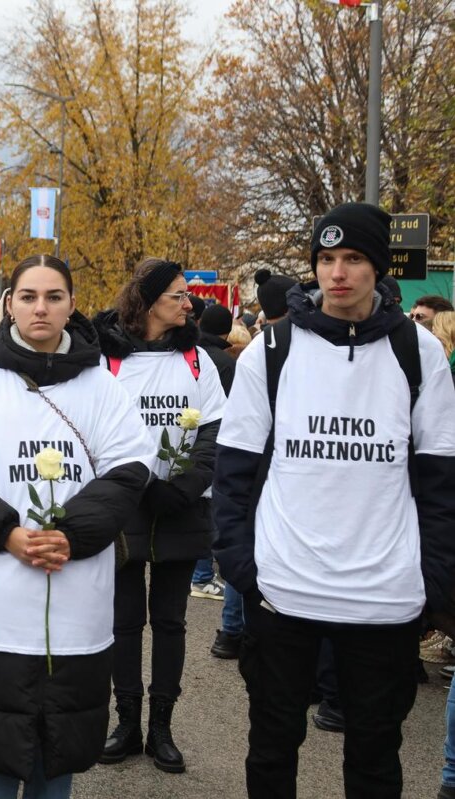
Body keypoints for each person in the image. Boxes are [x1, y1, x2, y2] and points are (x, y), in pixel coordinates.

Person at [214, 202, 455, 799]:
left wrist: (434, 582)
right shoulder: (271, 350)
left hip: (384, 597)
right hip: (284, 591)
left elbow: (440, 483)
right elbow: (235, 473)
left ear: (378, 268)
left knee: (375, 758)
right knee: (271, 751)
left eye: (353, 259)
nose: (337, 273)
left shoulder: (417, 352)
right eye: (325, 259)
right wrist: (244, 572)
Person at [0, 254, 153, 799]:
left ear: (73, 304)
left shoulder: (102, 387)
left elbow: (128, 472)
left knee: (61, 756)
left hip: (76, 599)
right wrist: (7, 533)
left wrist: (69, 534)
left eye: (54, 296)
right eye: (27, 296)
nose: (40, 308)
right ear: (9, 304)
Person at [93, 259, 227, 775]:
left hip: (182, 506)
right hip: (126, 505)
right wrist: (138, 483)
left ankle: (162, 727)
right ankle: (125, 722)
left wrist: (188, 483)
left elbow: (216, 427)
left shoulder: (196, 359)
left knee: (170, 621)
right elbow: (96, 427)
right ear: (149, 302)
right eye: (177, 295)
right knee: (125, 622)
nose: (188, 303)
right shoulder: (108, 359)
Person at [188, 303, 237, 603]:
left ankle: (201, 573)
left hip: (192, 441)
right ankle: (202, 575)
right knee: (208, 511)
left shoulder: (191, 355)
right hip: (213, 443)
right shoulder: (221, 362)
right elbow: (231, 408)